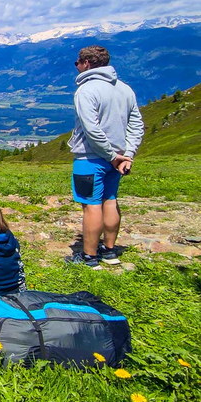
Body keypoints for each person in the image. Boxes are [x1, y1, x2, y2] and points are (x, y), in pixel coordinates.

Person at [66, 45, 144, 269]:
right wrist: (126, 155)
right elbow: (136, 125)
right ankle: (109, 251)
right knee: (110, 201)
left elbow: (91, 129)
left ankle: (89, 257)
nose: (77, 66)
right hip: (118, 158)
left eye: (78, 62)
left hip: (90, 158)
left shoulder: (86, 90)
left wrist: (110, 155)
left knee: (91, 206)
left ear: (87, 63)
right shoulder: (125, 89)